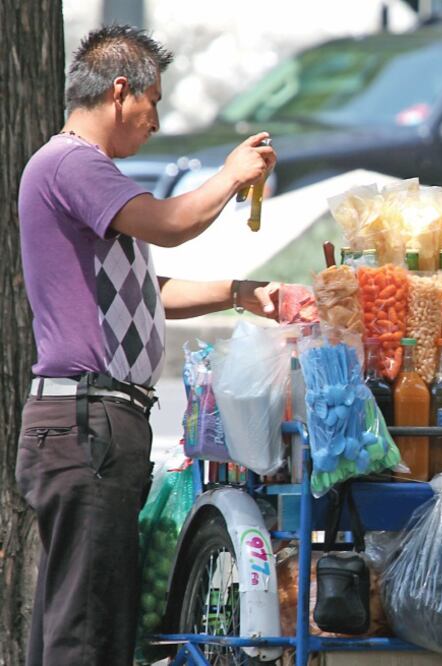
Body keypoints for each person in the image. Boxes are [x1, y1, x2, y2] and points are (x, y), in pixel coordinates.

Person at [14, 26, 279, 666]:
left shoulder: (85, 174)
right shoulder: (71, 162)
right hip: (87, 425)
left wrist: (238, 293)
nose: (156, 122)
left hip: (93, 426)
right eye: (153, 102)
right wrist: (229, 174)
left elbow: (142, 291)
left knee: (83, 616)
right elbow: (171, 224)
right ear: (120, 91)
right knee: (88, 631)